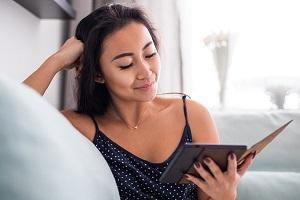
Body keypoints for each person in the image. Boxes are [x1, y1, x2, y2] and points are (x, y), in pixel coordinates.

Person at [23, 3, 254, 200]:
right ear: (98, 74)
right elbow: (10, 118)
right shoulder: (80, 127)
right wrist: (56, 60)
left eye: (150, 54)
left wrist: (225, 195)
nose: (146, 72)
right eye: (126, 64)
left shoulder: (192, 115)